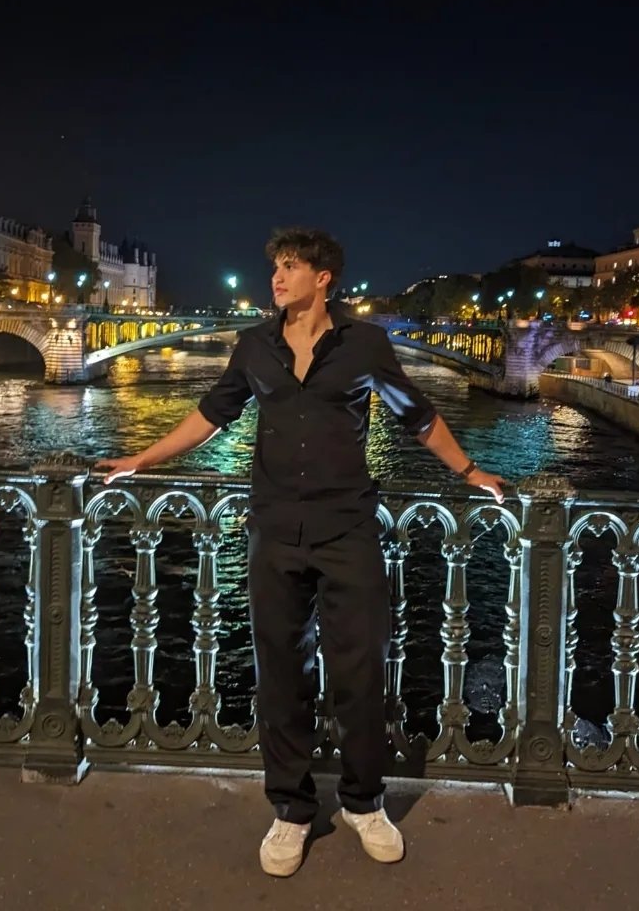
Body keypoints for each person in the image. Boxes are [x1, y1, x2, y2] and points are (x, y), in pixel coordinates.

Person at [97, 228, 505, 878]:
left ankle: (365, 802)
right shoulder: (253, 345)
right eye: (275, 269)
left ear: (324, 278)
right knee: (281, 675)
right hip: (275, 527)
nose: (277, 278)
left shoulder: (365, 344)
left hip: (347, 528)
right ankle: (290, 809)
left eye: (290, 267)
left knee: (360, 674)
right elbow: (211, 414)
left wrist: (470, 471)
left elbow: (417, 415)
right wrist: (142, 459)